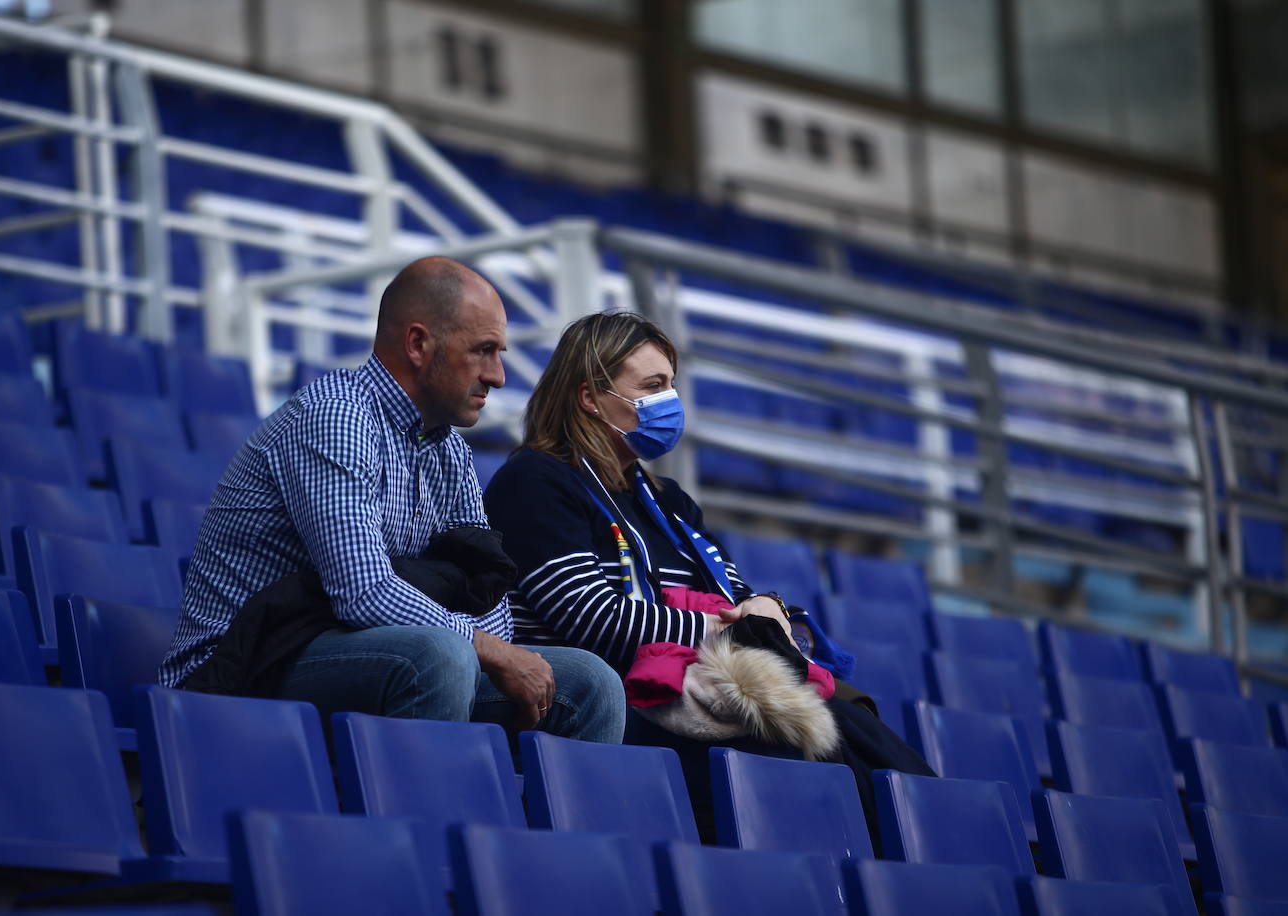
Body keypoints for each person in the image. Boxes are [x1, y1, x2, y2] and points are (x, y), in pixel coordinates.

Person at [482, 311, 932, 838]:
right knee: (814, 762)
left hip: (694, 693)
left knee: (857, 728)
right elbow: (593, 620)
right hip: (611, 706)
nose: (670, 401)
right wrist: (726, 628)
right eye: (652, 387)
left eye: (671, 385)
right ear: (589, 397)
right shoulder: (536, 481)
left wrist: (767, 612)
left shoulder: (669, 501)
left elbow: (737, 599)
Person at [158, 257, 625, 744]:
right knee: (439, 656)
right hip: (240, 665)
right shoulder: (336, 419)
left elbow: (486, 589)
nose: (499, 376)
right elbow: (363, 593)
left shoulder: (449, 450)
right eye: (484, 351)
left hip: (360, 649)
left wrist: (496, 648)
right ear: (419, 344)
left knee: (589, 684)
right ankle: (423, 820)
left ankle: (540, 821)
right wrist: (490, 649)